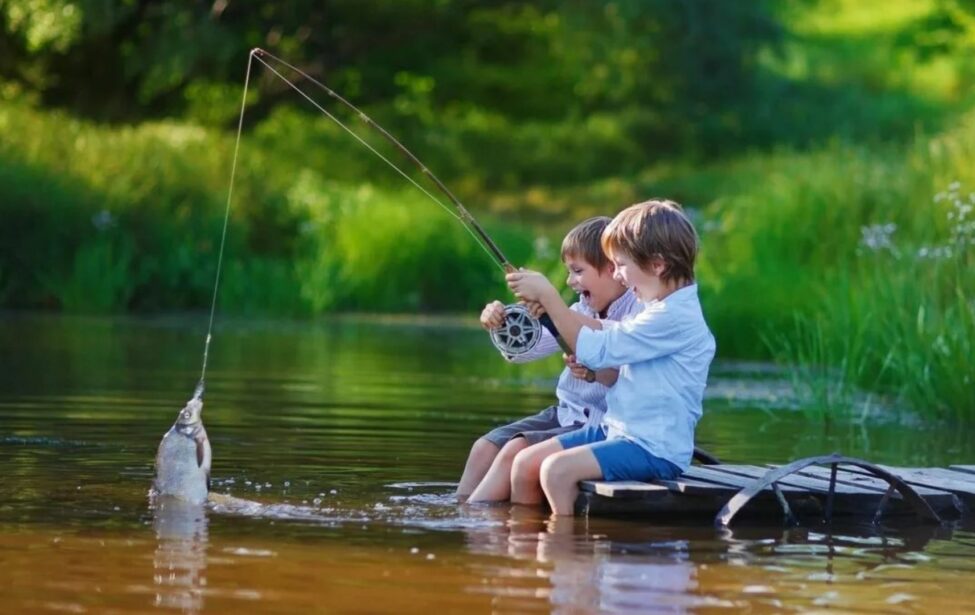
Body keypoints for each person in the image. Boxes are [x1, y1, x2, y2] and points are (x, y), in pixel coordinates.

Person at [506, 199, 715, 515]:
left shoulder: (673, 317)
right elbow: (606, 341)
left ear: (657, 265)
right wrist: (555, 313)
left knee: (556, 471)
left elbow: (597, 349)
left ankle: (563, 552)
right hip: (617, 429)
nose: (617, 275)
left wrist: (550, 297)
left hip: (652, 447)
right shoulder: (657, 307)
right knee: (525, 462)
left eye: (621, 265)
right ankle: (524, 545)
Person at [457, 216, 641, 502]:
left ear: (611, 268)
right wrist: (502, 322)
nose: (570, 281)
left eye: (578, 271)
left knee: (513, 452)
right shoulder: (580, 307)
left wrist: (552, 305)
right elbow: (526, 351)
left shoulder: (637, 312)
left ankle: (476, 524)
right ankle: (460, 512)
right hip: (565, 414)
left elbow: (613, 338)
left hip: (601, 425)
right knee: (484, 447)